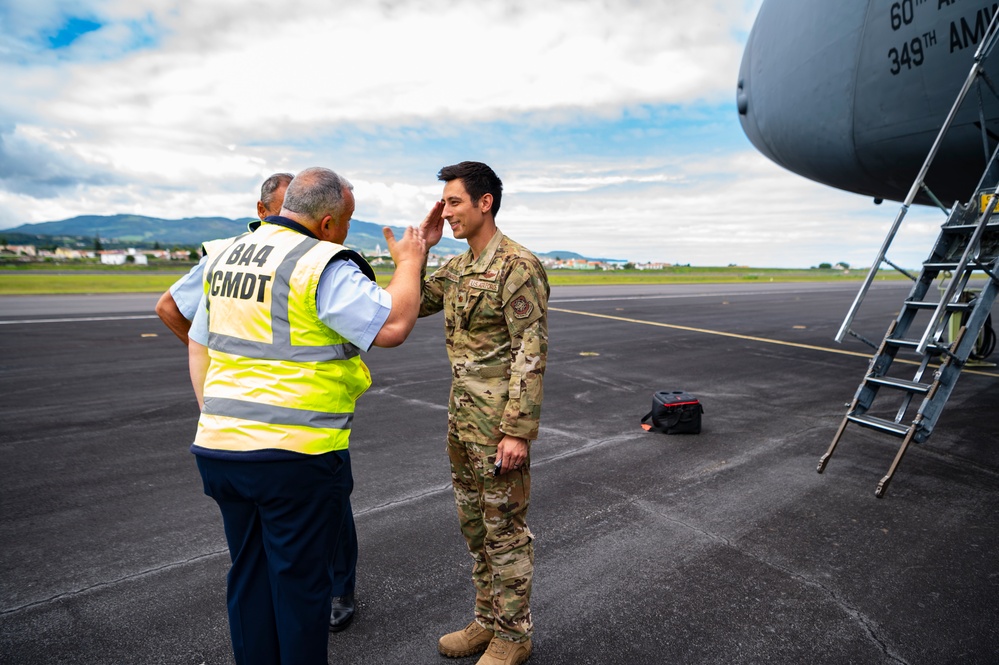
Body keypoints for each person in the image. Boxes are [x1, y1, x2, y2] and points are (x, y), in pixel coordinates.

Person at [187, 167, 432, 665]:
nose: (345, 231)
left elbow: (197, 341)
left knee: (249, 576)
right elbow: (394, 325)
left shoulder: (224, 254)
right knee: (301, 589)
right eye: (346, 221)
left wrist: (217, 417)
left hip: (219, 449)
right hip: (293, 458)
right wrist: (410, 261)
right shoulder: (319, 262)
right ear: (325, 223)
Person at [156, 171, 361, 631]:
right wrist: (226, 375)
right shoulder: (228, 255)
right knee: (286, 569)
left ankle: (340, 588)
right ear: (264, 211)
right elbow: (174, 311)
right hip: (280, 435)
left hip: (285, 428)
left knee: (319, 519)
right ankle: (325, 595)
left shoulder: (309, 259)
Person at [418, 162, 549, 665]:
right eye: (444, 203)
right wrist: (421, 250)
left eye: (453, 202)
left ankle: (514, 636)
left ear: (484, 203)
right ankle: (487, 621)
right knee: (474, 526)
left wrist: (516, 432)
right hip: (462, 422)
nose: (445, 211)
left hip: (498, 429)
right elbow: (401, 305)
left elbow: (530, 353)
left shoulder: (518, 266)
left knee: (505, 531)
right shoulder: (456, 268)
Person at [155, 172, 293, 345]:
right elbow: (168, 308)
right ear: (261, 210)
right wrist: (201, 356)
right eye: (282, 214)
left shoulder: (308, 256)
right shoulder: (222, 254)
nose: (292, 223)